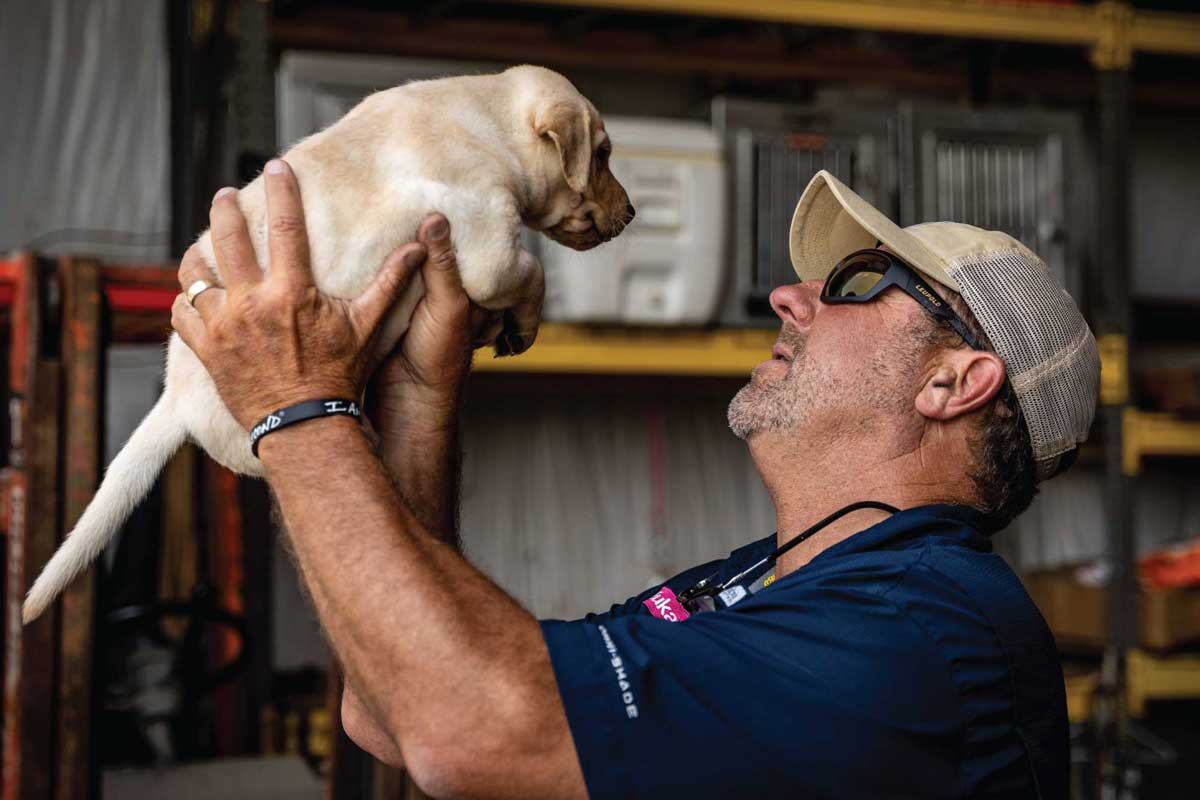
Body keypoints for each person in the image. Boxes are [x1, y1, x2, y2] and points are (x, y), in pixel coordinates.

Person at [173, 161, 1099, 799]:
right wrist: (418, 403)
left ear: (954, 383)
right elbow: (393, 706)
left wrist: (296, 406)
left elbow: (469, 729)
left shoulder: (918, 636)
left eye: (857, 283)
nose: (790, 296)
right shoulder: (771, 586)